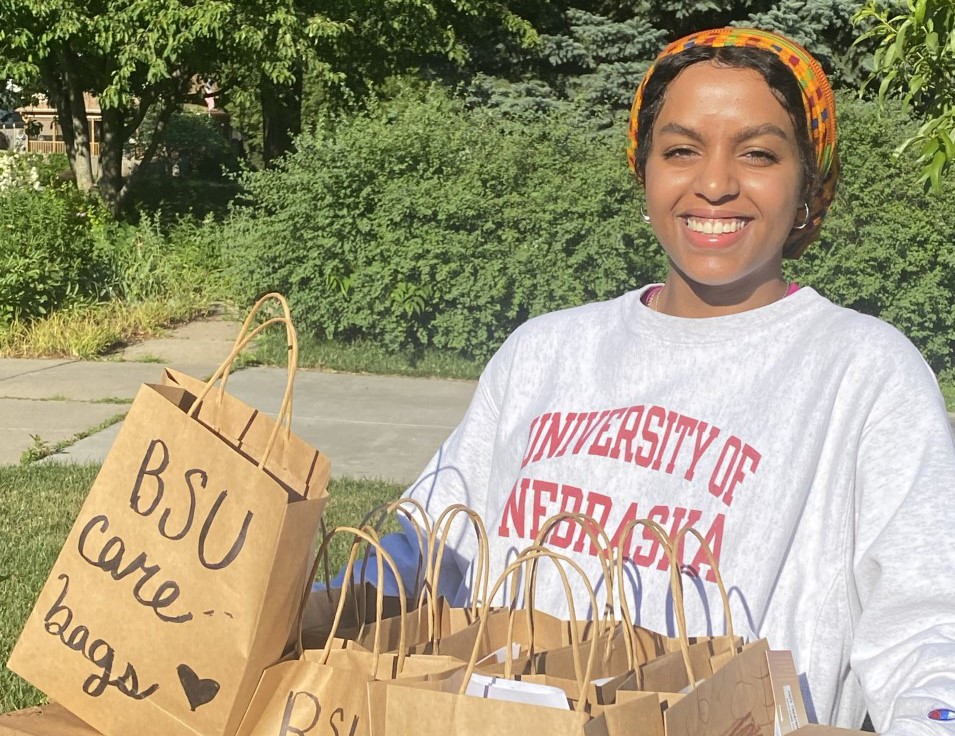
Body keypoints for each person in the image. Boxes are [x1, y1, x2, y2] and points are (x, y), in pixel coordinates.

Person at [344, 27, 955, 733]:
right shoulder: (544, 352)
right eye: (680, 151)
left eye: (757, 153)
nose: (715, 182)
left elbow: (927, 629)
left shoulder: (863, 374)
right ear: (643, 172)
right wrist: (293, 602)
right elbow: (427, 552)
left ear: (809, 186)